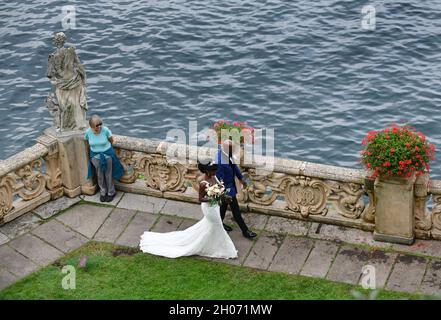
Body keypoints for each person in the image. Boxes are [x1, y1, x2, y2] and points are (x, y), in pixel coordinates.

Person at [139, 160, 238, 259]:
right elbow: (201, 199)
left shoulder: (214, 177)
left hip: (215, 207)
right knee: (218, 225)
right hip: (209, 208)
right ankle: (226, 250)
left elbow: (220, 189)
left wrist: (223, 195)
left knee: (211, 226)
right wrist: (214, 198)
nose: (215, 173)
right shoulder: (203, 183)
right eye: (213, 171)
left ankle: (212, 245)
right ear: (207, 171)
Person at [216, 140, 257, 239]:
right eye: (233, 149)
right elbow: (219, 179)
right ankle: (245, 231)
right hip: (227, 190)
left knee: (223, 208)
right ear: (226, 149)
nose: (235, 150)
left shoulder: (227, 154)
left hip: (231, 186)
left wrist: (241, 178)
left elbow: (234, 166)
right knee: (236, 211)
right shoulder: (220, 161)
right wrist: (225, 193)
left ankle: (219, 224)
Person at [85, 115, 124, 202]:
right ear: (91, 126)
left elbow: (111, 140)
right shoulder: (88, 132)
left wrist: (105, 148)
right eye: (96, 126)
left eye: (100, 125)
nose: (99, 127)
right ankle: (103, 192)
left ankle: (111, 192)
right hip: (95, 156)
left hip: (107, 155)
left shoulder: (105, 130)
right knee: (99, 175)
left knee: (108, 175)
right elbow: (87, 142)